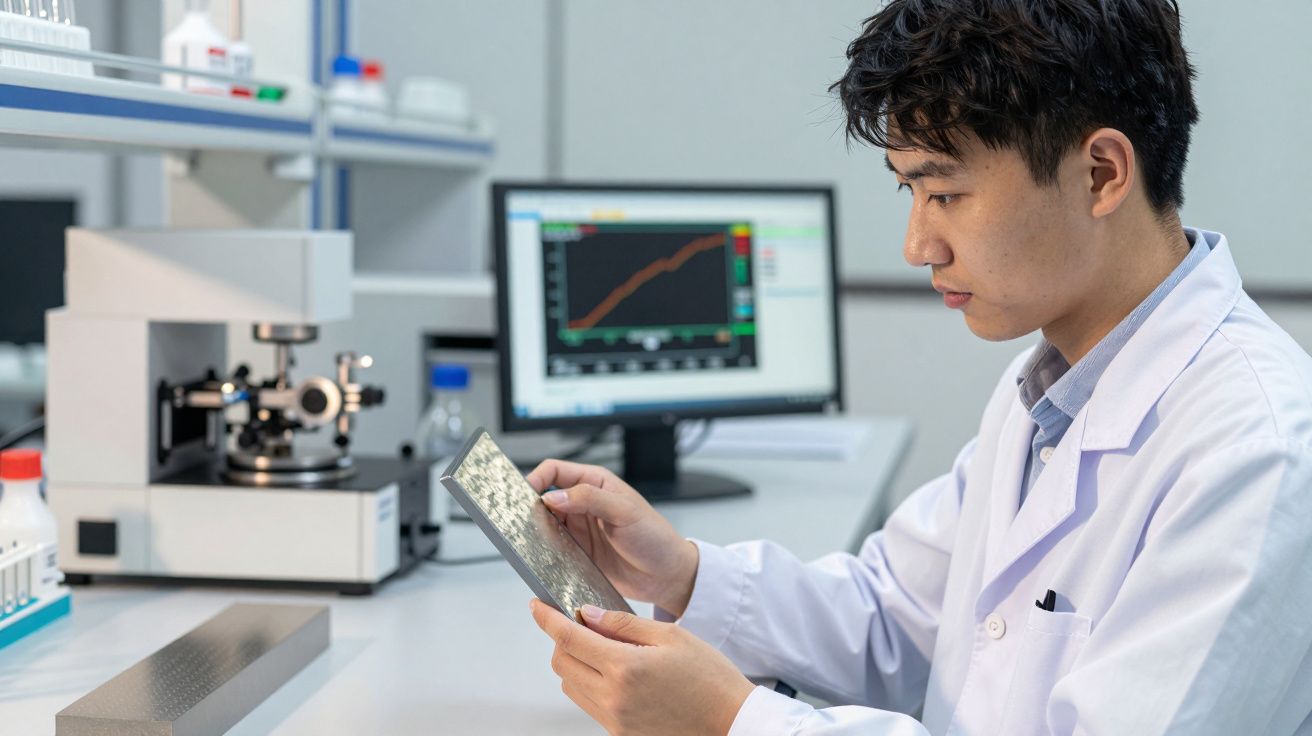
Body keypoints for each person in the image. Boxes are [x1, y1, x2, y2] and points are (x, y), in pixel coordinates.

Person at [526, 0, 1312, 733]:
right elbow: (894, 615)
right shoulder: (1051, 391)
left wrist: (737, 720)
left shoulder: (1255, 453)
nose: (917, 246)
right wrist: (683, 574)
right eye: (910, 190)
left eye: (946, 194)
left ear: (1102, 173)